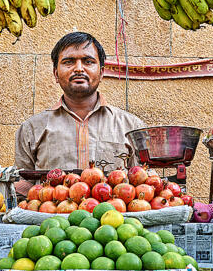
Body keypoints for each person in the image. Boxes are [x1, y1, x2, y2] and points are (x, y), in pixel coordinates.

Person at [14, 32, 146, 195]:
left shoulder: (132, 127)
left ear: (101, 72)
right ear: (56, 74)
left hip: (114, 211)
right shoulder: (31, 129)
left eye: (88, 61)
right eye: (68, 62)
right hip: (52, 211)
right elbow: (22, 187)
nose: (78, 68)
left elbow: (144, 184)